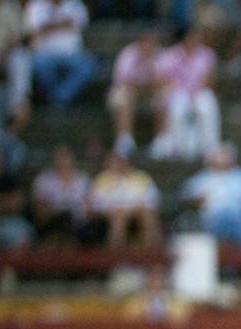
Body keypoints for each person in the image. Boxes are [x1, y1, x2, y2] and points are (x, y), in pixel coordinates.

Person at [151, 25, 220, 162]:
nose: (197, 38)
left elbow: (210, 78)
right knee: (178, 105)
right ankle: (177, 147)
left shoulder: (207, 54)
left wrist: (195, 93)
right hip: (177, 92)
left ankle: (211, 146)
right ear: (184, 38)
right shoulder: (169, 55)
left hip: (199, 91)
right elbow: (159, 78)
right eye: (194, 35)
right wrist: (175, 89)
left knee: (207, 102)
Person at [181, 142, 241, 244]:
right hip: (212, 218)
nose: (222, 159)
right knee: (220, 219)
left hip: (239, 215)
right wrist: (197, 202)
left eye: (225, 156)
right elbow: (186, 197)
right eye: (219, 156)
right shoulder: (202, 178)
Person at [23, 0, 93, 107]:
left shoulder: (75, 4)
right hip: (44, 54)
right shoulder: (36, 5)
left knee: (88, 66)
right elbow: (33, 31)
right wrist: (62, 24)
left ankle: (58, 99)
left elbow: (81, 22)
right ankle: (58, 101)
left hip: (72, 54)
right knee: (39, 66)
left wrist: (48, 26)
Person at [88, 148, 159, 246]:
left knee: (148, 215)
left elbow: (152, 200)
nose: (118, 164)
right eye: (115, 161)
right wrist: (113, 209)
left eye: (121, 161)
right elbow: (95, 203)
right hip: (109, 214)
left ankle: (148, 254)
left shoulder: (141, 177)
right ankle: (116, 256)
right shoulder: (102, 179)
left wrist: (133, 209)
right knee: (119, 216)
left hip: (136, 211)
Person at [107, 28, 161, 157]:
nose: (148, 47)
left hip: (151, 94)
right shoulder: (128, 53)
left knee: (166, 97)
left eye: (151, 43)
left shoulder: (161, 54)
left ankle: (162, 141)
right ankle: (124, 140)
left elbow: (163, 81)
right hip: (132, 93)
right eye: (145, 43)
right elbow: (122, 81)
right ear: (139, 43)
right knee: (121, 95)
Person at [0, 0, 31, 129]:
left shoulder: (10, 8)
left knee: (20, 58)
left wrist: (4, 51)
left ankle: (17, 104)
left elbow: (18, 37)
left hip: (4, 52)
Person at [30, 141, 89, 242]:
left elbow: (88, 204)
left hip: (78, 221)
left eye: (66, 155)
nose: (63, 159)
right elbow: (38, 207)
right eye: (59, 155)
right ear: (54, 158)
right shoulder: (43, 179)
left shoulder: (83, 179)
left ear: (72, 158)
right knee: (64, 218)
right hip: (53, 220)